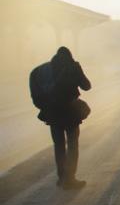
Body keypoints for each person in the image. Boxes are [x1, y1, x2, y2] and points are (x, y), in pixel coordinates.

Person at [29, 47, 92, 189]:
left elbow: (38, 93)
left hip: (53, 113)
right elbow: (87, 86)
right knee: (72, 145)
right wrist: (78, 69)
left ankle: (62, 178)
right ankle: (70, 179)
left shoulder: (43, 70)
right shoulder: (72, 67)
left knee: (58, 146)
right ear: (70, 56)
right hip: (70, 112)